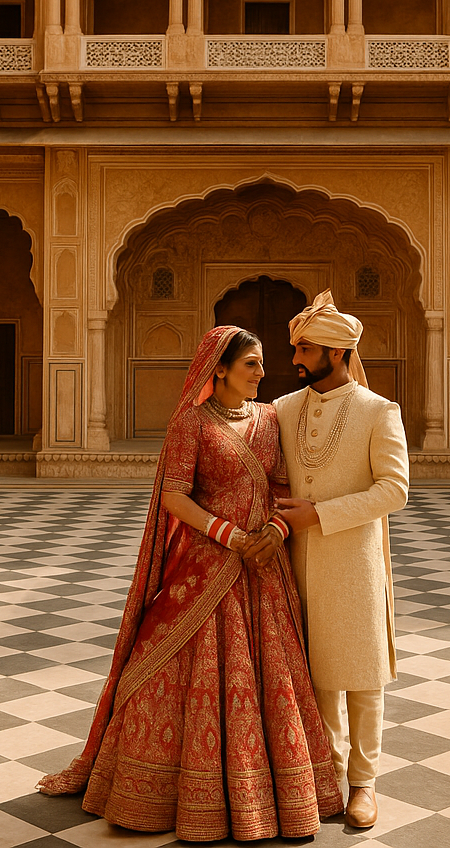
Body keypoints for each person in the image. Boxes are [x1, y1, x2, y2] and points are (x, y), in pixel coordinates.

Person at [37, 325, 343, 842]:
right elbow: (175, 496)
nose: (261, 373)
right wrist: (229, 535)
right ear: (218, 368)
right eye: (251, 364)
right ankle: (168, 794)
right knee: (166, 669)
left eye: (263, 364)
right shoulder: (192, 425)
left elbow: (283, 485)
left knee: (269, 680)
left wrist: (274, 529)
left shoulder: (269, 420)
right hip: (206, 564)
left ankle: (269, 796)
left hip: (263, 568)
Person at [272, 290, 410, 830]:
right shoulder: (284, 409)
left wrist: (321, 514)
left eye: (305, 349)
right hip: (295, 559)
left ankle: (364, 784)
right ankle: (326, 778)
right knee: (317, 673)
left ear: (336, 352)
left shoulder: (379, 411)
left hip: (353, 559)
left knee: (362, 673)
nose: (296, 360)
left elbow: (395, 490)